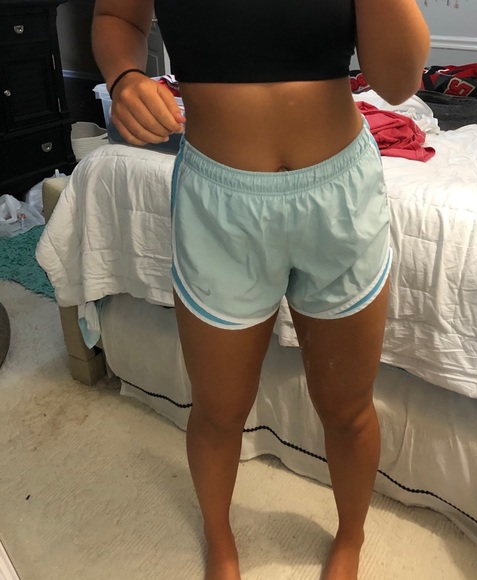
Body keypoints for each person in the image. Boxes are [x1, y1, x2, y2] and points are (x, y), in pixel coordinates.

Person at [92, 1, 429, 578]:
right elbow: (116, 16)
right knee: (218, 410)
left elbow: (399, 85)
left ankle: (350, 537)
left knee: (347, 408)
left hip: (338, 198)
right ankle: (219, 539)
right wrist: (124, 76)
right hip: (218, 201)